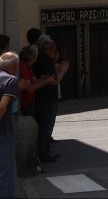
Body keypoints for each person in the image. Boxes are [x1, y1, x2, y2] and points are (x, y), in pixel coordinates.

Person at [32, 35, 65, 164]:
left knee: (45, 126)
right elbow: (52, 80)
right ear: (48, 47)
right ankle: (43, 153)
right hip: (47, 98)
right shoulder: (45, 59)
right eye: (52, 44)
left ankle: (45, 151)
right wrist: (62, 71)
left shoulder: (42, 58)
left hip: (43, 98)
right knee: (46, 126)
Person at [0, 52, 19, 197]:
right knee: (6, 167)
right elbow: (2, 106)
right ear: (14, 67)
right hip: (3, 128)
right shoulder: (10, 80)